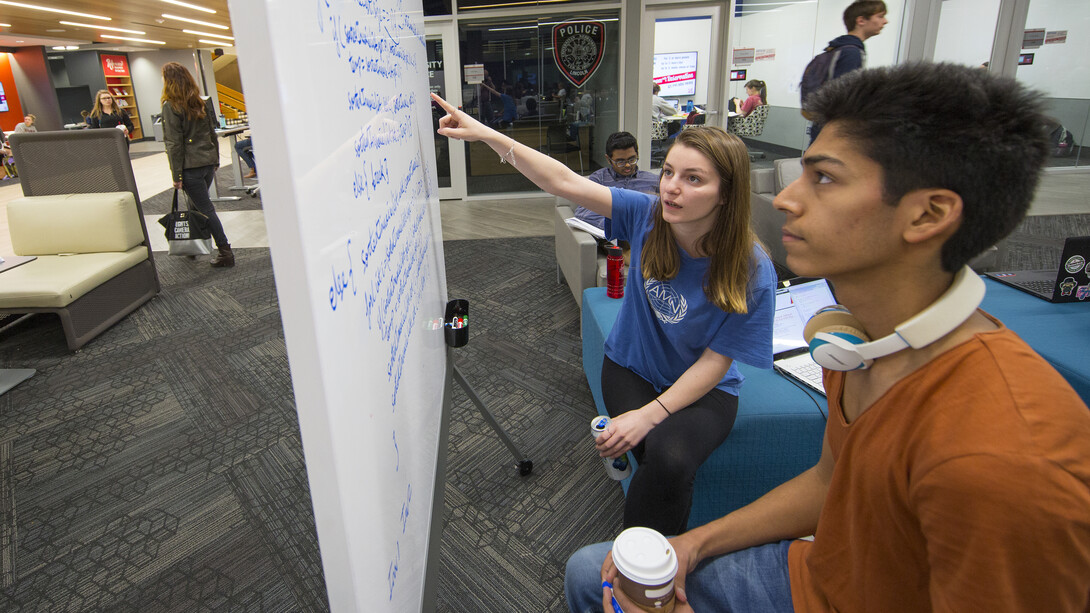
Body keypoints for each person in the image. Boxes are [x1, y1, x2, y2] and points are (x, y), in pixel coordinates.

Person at [565, 63, 1090, 613]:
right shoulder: (852, 344)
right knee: (587, 572)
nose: (787, 199)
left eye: (825, 178)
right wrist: (693, 543)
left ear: (928, 214)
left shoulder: (1011, 457)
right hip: (816, 572)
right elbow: (827, 484)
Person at [432, 93, 777, 538]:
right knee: (656, 456)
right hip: (630, 366)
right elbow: (564, 182)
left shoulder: (751, 268)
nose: (671, 187)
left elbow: (716, 363)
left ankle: (640, 569)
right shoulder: (648, 215)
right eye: (669, 171)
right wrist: (486, 134)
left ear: (726, 194)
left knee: (669, 457)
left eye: (694, 179)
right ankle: (648, 558)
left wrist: (650, 414)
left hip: (704, 386)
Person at [161, 61, 234, 268]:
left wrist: (176, 175)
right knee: (196, 205)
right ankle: (194, 246)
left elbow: (174, 143)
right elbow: (211, 133)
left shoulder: (170, 106)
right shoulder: (199, 102)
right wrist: (216, 159)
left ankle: (225, 251)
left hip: (190, 166)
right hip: (207, 162)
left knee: (205, 209)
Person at [808, 0, 888, 144]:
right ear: (861, 20)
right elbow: (845, 98)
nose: (885, 21)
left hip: (824, 123)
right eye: (880, 16)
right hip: (834, 126)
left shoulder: (838, 49)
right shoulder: (852, 52)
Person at [574, 131, 659, 232]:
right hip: (613, 237)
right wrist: (621, 225)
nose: (627, 165)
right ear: (608, 159)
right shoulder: (599, 180)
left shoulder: (653, 180)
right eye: (620, 161)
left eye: (632, 159)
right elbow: (583, 213)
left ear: (637, 154)